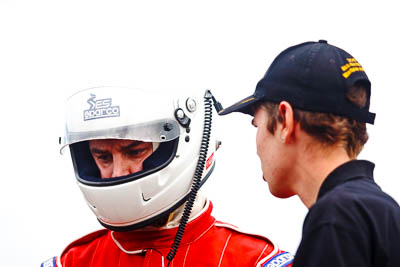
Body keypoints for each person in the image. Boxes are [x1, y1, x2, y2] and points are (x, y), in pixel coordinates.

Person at [41, 86, 293, 267]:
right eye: (103, 158)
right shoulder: (71, 262)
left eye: (135, 151)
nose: (118, 172)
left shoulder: (255, 260)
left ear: (185, 145)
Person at [218, 40, 400, 266]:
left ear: (285, 120)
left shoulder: (336, 219)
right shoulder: (381, 212)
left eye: (257, 124)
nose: (256, 146)